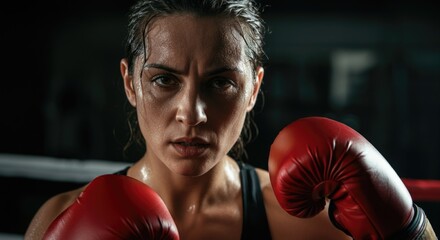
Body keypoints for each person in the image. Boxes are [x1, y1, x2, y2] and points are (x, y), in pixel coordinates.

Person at [24, 0, 437, 239]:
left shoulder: (305, 226)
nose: (192, 113)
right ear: (130, 84)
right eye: (164, 80)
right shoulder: (56, 220)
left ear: (254, 88)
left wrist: (407, 230)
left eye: (220, 83)